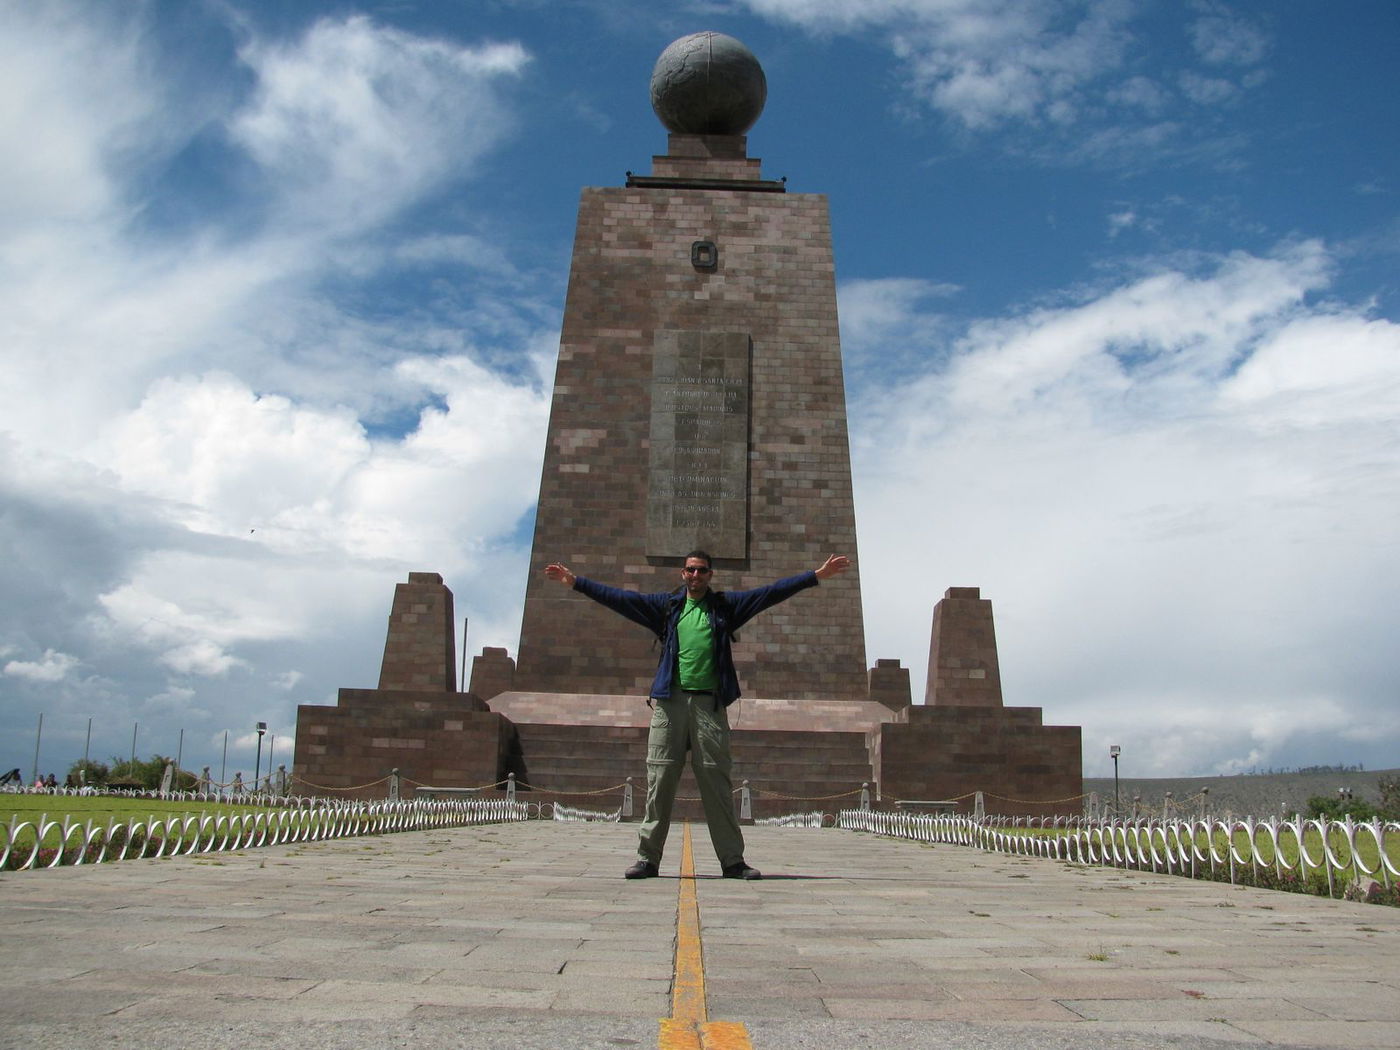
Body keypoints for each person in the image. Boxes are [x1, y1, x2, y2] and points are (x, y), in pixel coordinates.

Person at [544, 550, 852, 880]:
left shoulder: (724, 608)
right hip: (669, 704)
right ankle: (648, 859)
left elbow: (769, 594)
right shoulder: (667, 607)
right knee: (659, 782)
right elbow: (621, 599)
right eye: (691, 570)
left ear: (710, 575)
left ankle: (733, 861)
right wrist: (576, 582)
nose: (695, 575)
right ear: (682, 573)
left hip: (709, 706)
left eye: (702, 570)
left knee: (717, 784)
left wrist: (815, 576)